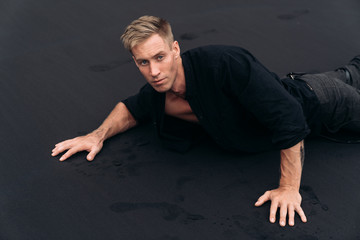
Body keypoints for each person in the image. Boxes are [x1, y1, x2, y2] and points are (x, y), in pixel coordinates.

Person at [51, 15, 360, 227]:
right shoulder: (159, 94)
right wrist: (97, 135)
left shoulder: (224, 64)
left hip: (323, 104)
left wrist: (289, 187)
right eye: (143, 62)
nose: (154, 70)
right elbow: (131, 109)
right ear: (135, 61)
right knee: (351, 73)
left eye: (159, 57)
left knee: (340, 87)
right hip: (299, 84)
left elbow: (290, 118)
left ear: (175, 49)